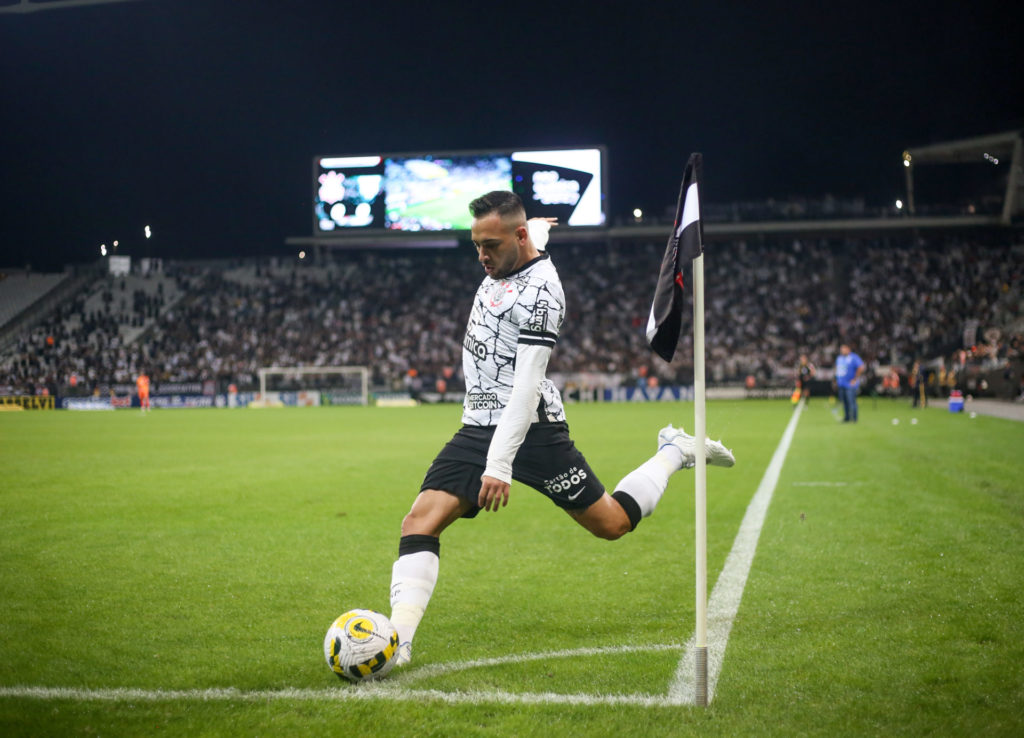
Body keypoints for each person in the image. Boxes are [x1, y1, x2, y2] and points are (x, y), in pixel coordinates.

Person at [386, 191, 735, 667]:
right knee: (419, 522)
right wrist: (544, 227)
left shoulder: (543, 293)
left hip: (532, 428)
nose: (482, 255)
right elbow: (531, 238)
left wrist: (498, 465)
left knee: (611, 524)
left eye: (490, 244)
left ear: (518, 236)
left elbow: (526, 389)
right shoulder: (510, 251)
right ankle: (397, 644)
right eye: (476, 246)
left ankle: (674, 451)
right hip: (477, 424)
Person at [834, 344, 864, 422]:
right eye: (841, 349)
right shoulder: (839, 358)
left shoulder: (853, 357)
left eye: (843, 349)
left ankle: (854, 418)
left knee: (852, 401)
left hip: (850, 384)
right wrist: (836, 380)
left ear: (848, 349)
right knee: (845, 402)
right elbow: (837, 369)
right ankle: (847, 418)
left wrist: (855, 379)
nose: (842, 351)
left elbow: (861, 367)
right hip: (841, 384)